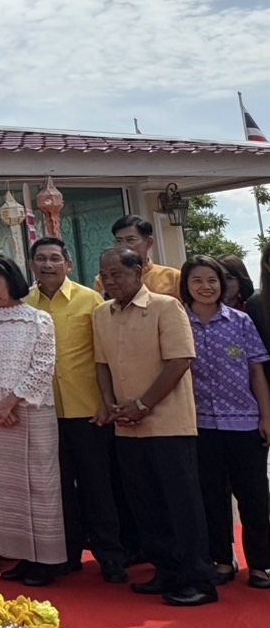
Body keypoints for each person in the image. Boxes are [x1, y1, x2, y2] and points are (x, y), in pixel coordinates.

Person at [94, 248, 216, 606]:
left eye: (117, 274)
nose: (110, 280)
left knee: (182, 504)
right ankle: (166, 570)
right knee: (144, 503)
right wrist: (109, 402)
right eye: (105, 275)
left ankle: (199, 579)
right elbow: (101, 364)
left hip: (167, 424)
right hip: (126, 426)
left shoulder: (166, 306)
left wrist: (144, 405)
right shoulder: (102, 313)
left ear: (138, 272)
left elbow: (180, 360)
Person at [24, 237, 126, 583]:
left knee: (99, 486)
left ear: (67, 264)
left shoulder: (90, 300)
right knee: (57, 489)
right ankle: (65, 557)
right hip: (44, 413)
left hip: (89, 409)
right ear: (32, 264)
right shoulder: (26, 304)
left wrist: (106, 401)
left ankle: (111, 556)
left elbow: (107, 355)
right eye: (41, 259)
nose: (48, 265)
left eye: (55, 258)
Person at [0, 254, 65, 588]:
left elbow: (43, 366)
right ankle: (21, 557)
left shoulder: (38, 320)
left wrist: (11, 401)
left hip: (31, 412)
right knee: (4, 490)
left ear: (11, 279)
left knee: (39, 485)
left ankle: (45, 560)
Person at [179, 256, 270, 590]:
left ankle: (260, 564)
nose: (206, 287)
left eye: (212, 280)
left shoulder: (241, 322)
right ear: (186, 286)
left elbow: (257, 371)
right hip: (200, 424)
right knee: (211, 496)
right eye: (197, 281)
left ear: (223, 284)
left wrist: (266, 416)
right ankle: (221, 559)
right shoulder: (179, 323)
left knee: (255, 496)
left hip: (244, 423)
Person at [92, 216, 181, 297]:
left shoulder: (173, 277)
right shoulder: (104, 280)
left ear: (149, 243)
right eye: (119, 241)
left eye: (130, 240)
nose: (123, 246)